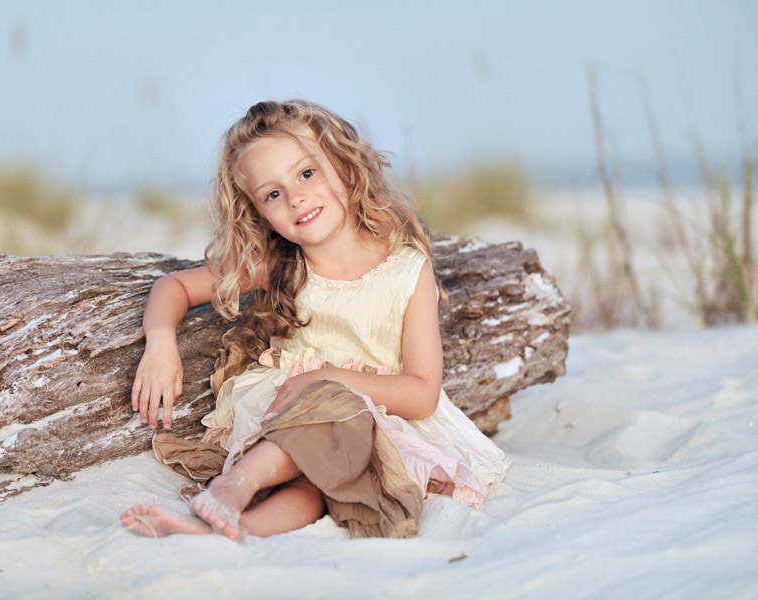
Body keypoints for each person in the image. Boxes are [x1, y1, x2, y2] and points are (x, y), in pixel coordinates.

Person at [120, 100, 509, 539]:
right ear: (259, 213)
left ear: (345, 166)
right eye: (272, 193)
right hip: (288, 410)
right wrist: (159, 344)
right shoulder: (281, 263)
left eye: (307, 173)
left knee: (319, 480)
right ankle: (230, 503)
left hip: (376, 410)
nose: (295, 197)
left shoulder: (407, 271)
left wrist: (328, 380)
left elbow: (422, 395)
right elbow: (174, 287)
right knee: (312, 453)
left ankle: (233, 511)